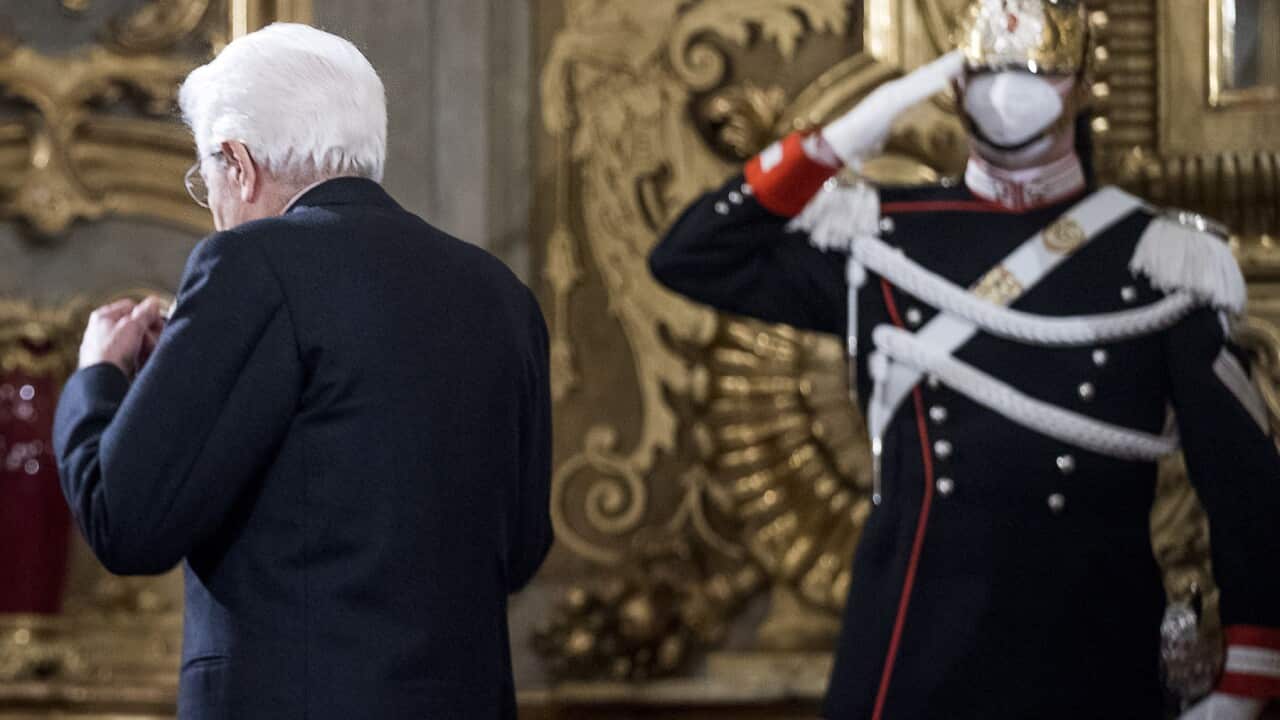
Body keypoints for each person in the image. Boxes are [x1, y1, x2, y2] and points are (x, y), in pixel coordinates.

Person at [649, 0, 1280, 718]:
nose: (1011, 92)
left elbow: (1245, 489)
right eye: (989, 72)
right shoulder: (881, 237)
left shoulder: (1161, 258)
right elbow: (689, 258)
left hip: (1092, 646)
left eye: (1038, 71)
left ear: (1079, 83)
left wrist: (1245, 682)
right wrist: (835, 142)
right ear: (953, 86)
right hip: (916, 643)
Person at [52, 23, 552, 719]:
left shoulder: (250, 264)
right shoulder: (499, 293)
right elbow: (523, 548)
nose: (215, 204)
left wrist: (97, 378)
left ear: (239, 161)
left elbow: (125, 523)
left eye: (207, 177)